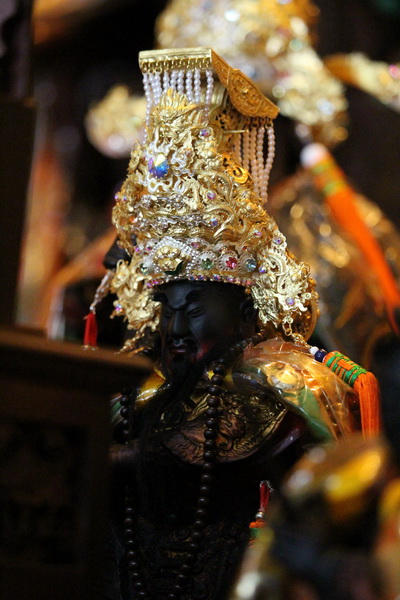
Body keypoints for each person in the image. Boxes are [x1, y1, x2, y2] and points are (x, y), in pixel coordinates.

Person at [89, 47, 380, 600]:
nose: (176, 326)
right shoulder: (139, 393)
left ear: (246, 310)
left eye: (195, 307)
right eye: (167, 306)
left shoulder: (284, 388)